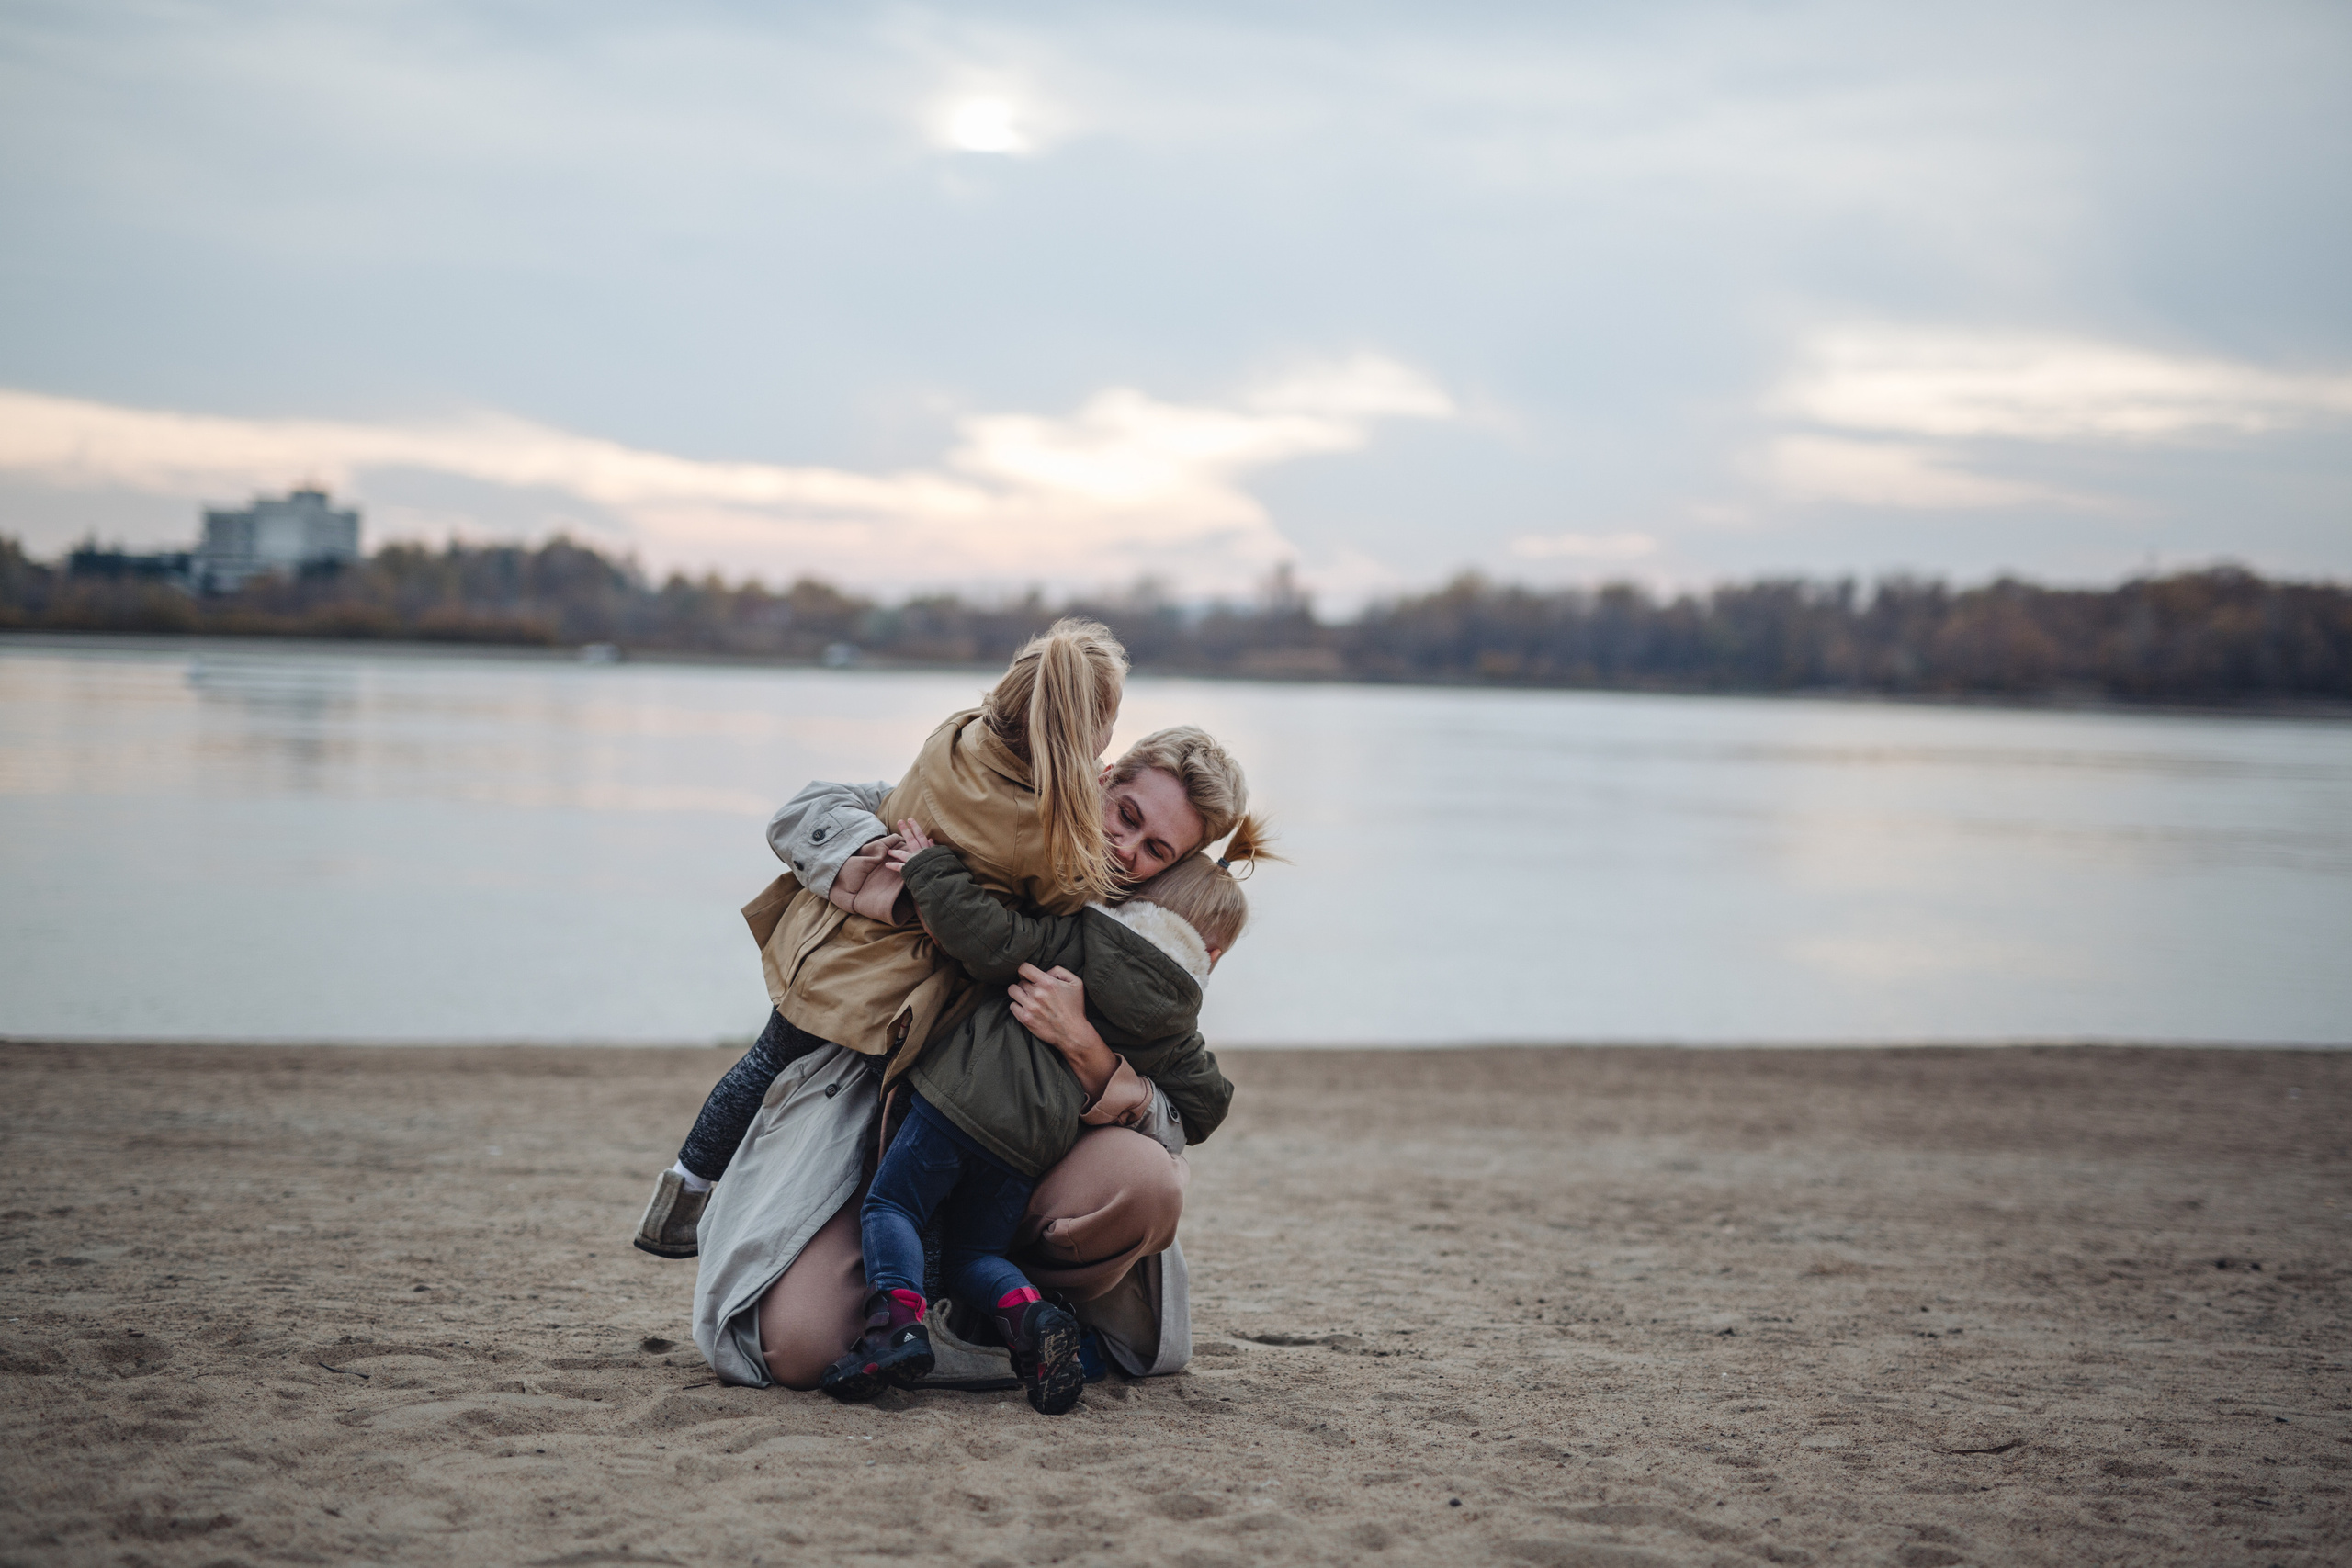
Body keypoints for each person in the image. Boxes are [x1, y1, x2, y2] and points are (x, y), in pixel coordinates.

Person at [686, 723, 1254, 1393]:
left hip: (1025, 1150)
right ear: (1103, 777)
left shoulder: (1139, 934)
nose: (1124, 846)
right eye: (1125, 814)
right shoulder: (988, 805)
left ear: (1181, 864)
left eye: (1157, 847)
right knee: (800, 1347)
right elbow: (804, 811)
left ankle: (1008, 1305)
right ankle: (990, 1324)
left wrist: (1089, 1051)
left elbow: (1185, 1114)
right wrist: (903, 882)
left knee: (1150, 1180)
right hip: (873, 1113)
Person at [634, 616, 1134, 1258]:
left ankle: (680, 1198)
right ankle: (899, 1265)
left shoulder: (952, 735)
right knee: (892, 1119)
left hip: (832, 946)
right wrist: (1085, 805)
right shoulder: (1038, 825)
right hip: (897, 989)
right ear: (1081, 734)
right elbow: (1063, 900)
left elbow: (910, 801)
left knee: (762, 1065)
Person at [817, 818, 1258, 1413]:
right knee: (979, 1255)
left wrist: (928, 868)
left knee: (893, 1205)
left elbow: (984, 934)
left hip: (959, 1104)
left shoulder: (1075, 938)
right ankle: (1034, 1318)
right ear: (1212, 951)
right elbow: (1208, 1103)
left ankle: (895, 1324)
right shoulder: (1174, 1024)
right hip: (1032, 1148)